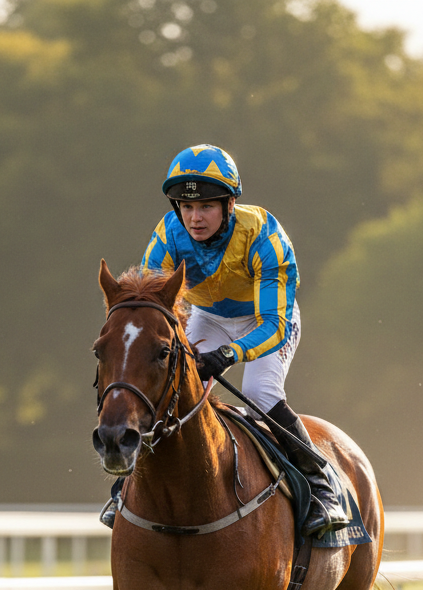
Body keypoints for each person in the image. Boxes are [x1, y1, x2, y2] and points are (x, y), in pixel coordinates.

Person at [100, 143, 349, 537]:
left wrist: (228, 354)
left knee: (259, 392)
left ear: (230, 204)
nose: (194, 218)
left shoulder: (263, 235)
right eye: (186, 207)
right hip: (208, 317)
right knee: (165, 387)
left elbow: (274, 324)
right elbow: (150, 311)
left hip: (265, 320)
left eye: (206, 207)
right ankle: (126, 486)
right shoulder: (168, 234)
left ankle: (320, 484)